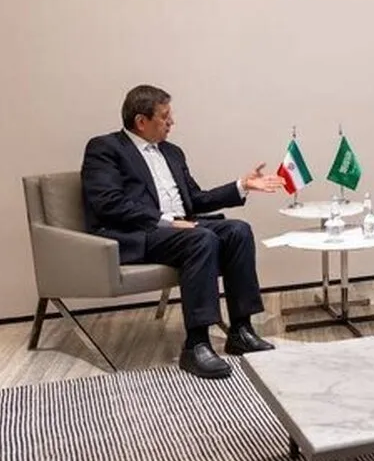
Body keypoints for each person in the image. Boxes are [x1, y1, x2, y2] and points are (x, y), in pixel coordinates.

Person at [81, 85, 284, 379]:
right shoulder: (105, 149)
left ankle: (241, 330)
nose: (171, 122)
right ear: (141, 121)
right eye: (165, 117)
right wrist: (165, 220)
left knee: (238, 231)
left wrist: (241, 186)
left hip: (181, 228)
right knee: (201, 238)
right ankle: (196, 345)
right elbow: (108, 203)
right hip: (141, 231)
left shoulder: (172, 152)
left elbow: (195, 200)